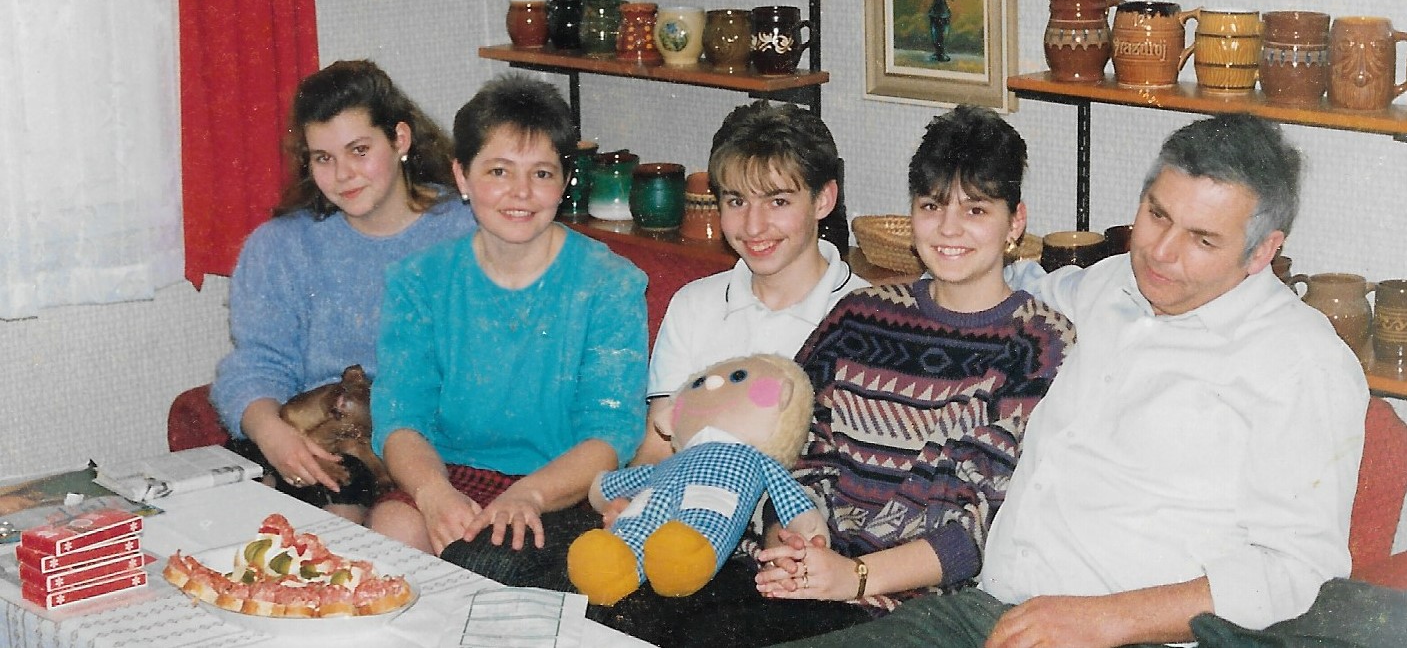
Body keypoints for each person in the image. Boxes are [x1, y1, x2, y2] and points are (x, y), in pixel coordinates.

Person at [776, 113, 1369, 648]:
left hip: (1129, 637)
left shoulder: (1302, 363)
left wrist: (1107, 620)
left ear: (1263, 251)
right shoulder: (1108, 285)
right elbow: (993, 288)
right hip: (982, 611)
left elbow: (1297, 570)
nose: (1161, 253)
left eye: (1202, 239)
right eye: (1157, 214)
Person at [590, 105, 1075, 648]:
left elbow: (980, 522)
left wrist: (852, 577)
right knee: (611, 614)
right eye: (931, 206)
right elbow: (792, 451)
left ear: (1015, 222)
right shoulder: (861, 313)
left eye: (976, 210)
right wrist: (789, 541)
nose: (948, 228)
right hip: (788, 562)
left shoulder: (1038, 341)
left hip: (897, 600)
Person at [366, 73, 648, 562]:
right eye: (499, 171)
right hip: (448, 473)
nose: (521, 192)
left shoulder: (610, 284)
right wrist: (433, 494)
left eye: (541, 174)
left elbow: (610, 433)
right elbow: (400, 417)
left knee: (498, 558)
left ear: (565, 180)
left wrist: (529, 495)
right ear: (462, 176)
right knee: (394, 528)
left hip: (561, 486)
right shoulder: (419, 281)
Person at [210, 59, 476, 522]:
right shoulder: (281, 246)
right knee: (238, 516)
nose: (343, 174)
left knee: (342, 528)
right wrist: (273, 435)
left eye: (359, 150)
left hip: (425, 446)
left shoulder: (467, 230)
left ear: (400, 139)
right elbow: (257, 362)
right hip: (316, 436)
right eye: (323, 158)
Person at [636, 99, 869, 467]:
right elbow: (658, 447)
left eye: (778, 202)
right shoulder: (693, 305)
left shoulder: (868, 314)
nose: (754, 226)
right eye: (736, 201)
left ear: (823, 200)